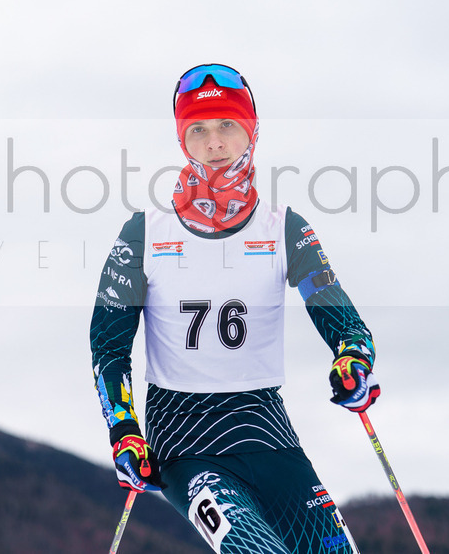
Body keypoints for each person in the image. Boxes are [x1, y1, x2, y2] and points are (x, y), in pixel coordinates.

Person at [89, 64, 380, 554]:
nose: (214, 142)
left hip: (266, 431)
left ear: (252, 131)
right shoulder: (144, 233)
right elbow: (108, 346)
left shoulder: (284, 228)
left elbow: (341, 317)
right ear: (182, 141)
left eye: (227, 125)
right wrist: (124, 430)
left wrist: (353, 358)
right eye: (198, 130)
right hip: (184, 439)